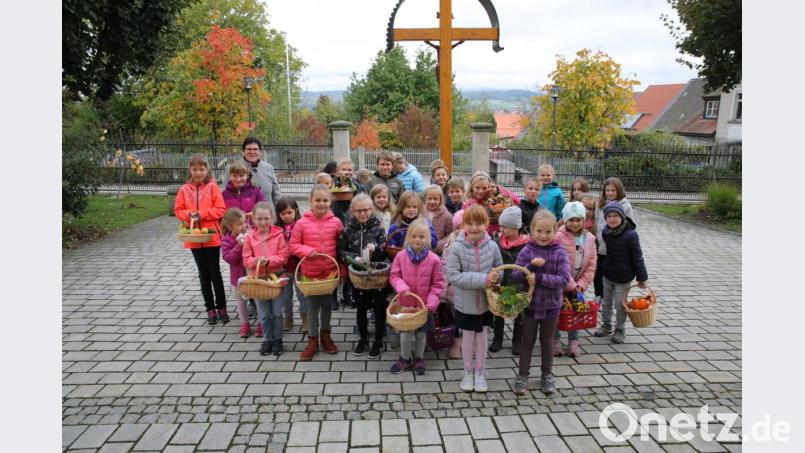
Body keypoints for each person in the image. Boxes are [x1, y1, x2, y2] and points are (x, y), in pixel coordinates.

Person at [512, 210, 571, 395]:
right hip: (530, 305)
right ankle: (522, 375)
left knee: (547, 341)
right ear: (532, 230)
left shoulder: (560, 252)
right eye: (539, 231)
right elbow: (515, 275)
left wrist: (539, 278)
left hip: (552, 306)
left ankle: (547, 374)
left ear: (555, 231)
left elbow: (564, 279)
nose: (543, 236)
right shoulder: (527, 250)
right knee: (527, 341)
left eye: (548, 232)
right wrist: (529, 267)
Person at [446, 205, 503, 393]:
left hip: (486, 303)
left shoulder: (492, 246)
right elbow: (453, 276)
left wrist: (496, 277)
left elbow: (500, 270)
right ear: (463, 225)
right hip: (465, 303)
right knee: (468, 337)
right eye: (469, 223)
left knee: (482, 336)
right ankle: (467, 372)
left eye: (479, 223)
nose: (474, 227)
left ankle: (480, 372)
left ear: (486, 224)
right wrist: (484, 280)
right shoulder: (456, 247)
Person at [289, 184, 345, 361]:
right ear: (310, 201)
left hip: (329, 274)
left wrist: (342, 270)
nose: (321, 203)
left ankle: (326, 336)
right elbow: (293, 245)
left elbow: (342, 248)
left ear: (331, 201)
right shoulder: (301, 223)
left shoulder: (336, 222)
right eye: (317, 200)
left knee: (327, 306)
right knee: (312, 308)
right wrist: (306, 251)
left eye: (325, 200)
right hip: (310, 274)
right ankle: (312, 340)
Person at [175, 153, 228, 324]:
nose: (198, 172)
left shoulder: (213, 187)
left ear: (207, 170)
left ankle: (222, 307)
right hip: (194, 238)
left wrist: (202, 214)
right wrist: (188, 215)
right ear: (190, 170)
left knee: (215, 273)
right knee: (203, 274)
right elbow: (178, 210)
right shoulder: (184, 190)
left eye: (201, 169)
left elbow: (221, 209)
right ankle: (210, 309)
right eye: (195, 169)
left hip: (211, 237)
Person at [389, 219, 446, 375]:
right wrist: (401, 287)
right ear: (408, 237)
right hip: (405, 304)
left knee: (421, 333)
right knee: (405, 332)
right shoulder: (400, 256)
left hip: (423, 305)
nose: (417, 240)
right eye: (414, 236)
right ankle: (404, 357)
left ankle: (419, 357)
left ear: (428, 238)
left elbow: (438, 284)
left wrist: (432, 302)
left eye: (422, 236)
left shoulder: (434, 259)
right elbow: (394, 276)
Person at [338, 194, 389, 359]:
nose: (362, 214)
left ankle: (378, 340)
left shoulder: (378, 228)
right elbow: (341, 251)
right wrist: (354, 258)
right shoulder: (347, 230)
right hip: (358, 276)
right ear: (352, 211)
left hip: (376, 276)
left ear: (371, 209)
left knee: (379, 308)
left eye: (366, 210)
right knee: (360, 308)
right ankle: (363, 338)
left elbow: (384, 250)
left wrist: (375, 248)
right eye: (358, 210)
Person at [594, 201, 648, 344]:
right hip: (607, 273)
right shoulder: (606, 232)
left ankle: (620, 330)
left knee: (620, 305)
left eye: (616, 216)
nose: (612, 219)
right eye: (609, 216)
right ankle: (606, 326)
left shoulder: (631, 235)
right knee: (606, 302)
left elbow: (637, 257)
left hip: (624, 277)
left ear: (622, 217)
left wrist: (642, 278)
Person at [242, 202, 290, 355]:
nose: (263, 222)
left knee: (276, 313)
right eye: (259, 219)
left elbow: (284, 257)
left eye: (266, 218)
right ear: (253, 219)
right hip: (258, 281)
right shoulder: (249, 237)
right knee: (263, 314)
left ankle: (278, 339)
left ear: (273, 218)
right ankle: (268, 339)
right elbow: (246, 259)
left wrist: (269, 261)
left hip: (276, 280)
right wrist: (256, 261)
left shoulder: (279, 235)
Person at [553, 202, 597, 357]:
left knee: (576, 310)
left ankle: (573, 341)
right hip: (560, 282)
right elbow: (558, 263)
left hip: (578, 285)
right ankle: (555, 341)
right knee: (556, 312)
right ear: (565, 220)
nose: (575, 223)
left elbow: (591, 264)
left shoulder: (590, 238)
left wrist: (581, 285)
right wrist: (571, 284)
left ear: (584, 220)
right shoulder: (558, 237)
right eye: (571, 220)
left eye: (578, 220)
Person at [491, 206, 529, 355]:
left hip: (520, 285)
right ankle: (497, 338)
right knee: (499, 313)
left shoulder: (527, 244)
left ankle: (517, 341)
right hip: (501, 284)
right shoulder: (496, 242)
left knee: (520, 314)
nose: (501, 230)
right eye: (500, 226)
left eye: (505, 227)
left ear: (516, 227)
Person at [220, 208, 262, 338]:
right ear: (230, 226)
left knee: (258, 298)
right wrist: (239, 246)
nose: (243, 226)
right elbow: (229, 258)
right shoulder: (227, 240)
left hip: (253, 275)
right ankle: (245, 323)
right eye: (239, 224)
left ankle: (262, 322)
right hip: (238, 277)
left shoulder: (251, 234)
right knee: (241, 300)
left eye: (244, 222)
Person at [593, 177, 634, 298]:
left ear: (619, 190)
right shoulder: (600, 204)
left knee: (611, 275)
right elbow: (596, 221)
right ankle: (599, 296)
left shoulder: (625, 205)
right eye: (607, 190)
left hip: (616, 248)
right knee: (598, 274)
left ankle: (612, 297)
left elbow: (630, 226)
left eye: (613, 190)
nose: (610, 193)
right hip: (601, 247)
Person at [275, 197, 305, 333]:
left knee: (302, 295)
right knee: (286, 296)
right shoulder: (276, 228)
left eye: (289, 212)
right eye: (283, 214)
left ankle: (305, 317)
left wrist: (295, 249)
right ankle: (288, 317)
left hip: (299, 267)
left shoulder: (301, 225)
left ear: (296, 210)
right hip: (284, 269)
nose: (287, 216)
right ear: (278, 214)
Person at [231, 137, 282, 208]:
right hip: (243, 214)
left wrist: (280, 211)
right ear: (243, 151)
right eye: (249, 149)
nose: (252, 152)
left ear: (260, 152)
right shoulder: (232, 168)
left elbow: (276, 195)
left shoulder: (269, 168)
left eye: (255, 149)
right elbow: (226, 196)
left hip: (268, 213)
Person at [222, 161, 265, 227]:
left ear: (247, 175)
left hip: (253, 229)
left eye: (241, 176)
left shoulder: (255, 191)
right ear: (230, 176)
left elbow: (264, 208)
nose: (238, 179)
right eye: (235, 176)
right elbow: (222, 214)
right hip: (233, 229)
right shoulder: (224, 195)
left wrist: (254, 213)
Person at [423, 185, 453, 255]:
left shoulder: (447, 216)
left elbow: (450, 235)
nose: (432, 201)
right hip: (420, 248)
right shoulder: (420, 213)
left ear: (440, 200)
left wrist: (439, 245)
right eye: (429, 198)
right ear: (425, 199)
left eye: (435, 199)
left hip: (437, 252)